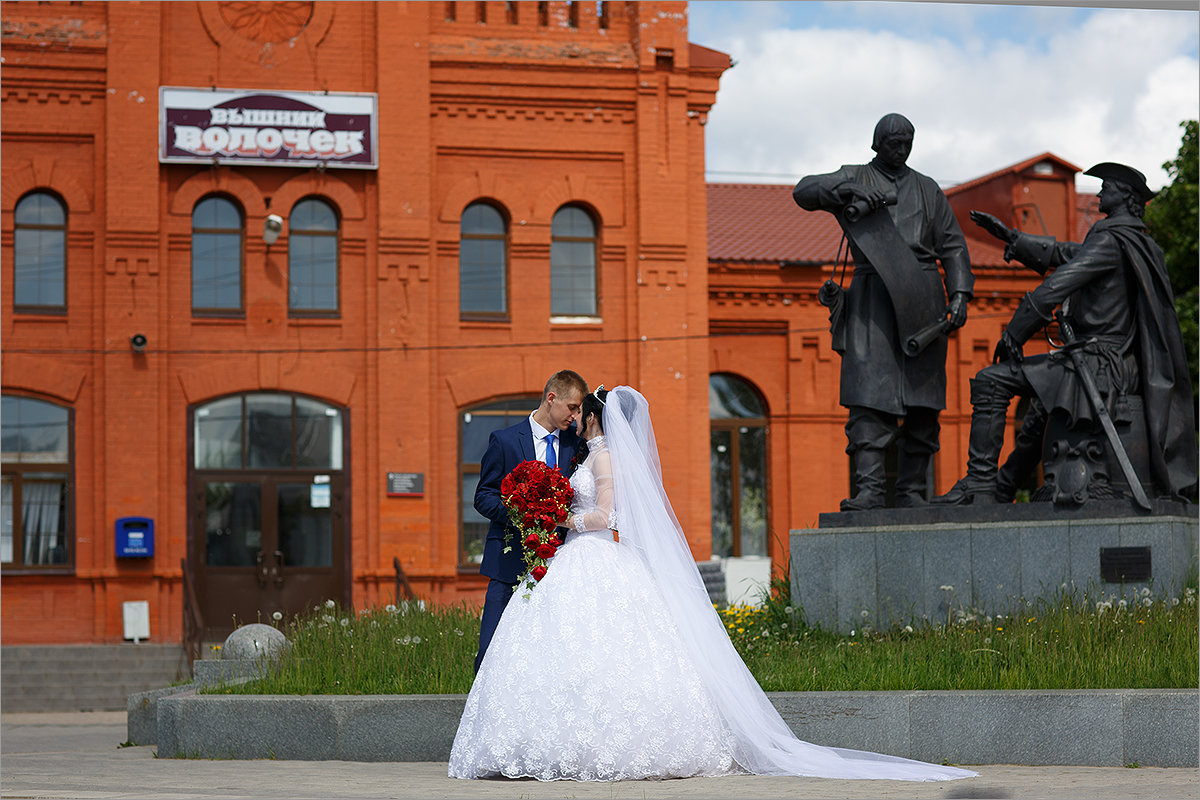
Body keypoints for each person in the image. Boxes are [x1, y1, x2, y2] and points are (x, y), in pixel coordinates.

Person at [449, 385, 977, 782]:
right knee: (569, 653)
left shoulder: (603, 455)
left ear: (590, 415)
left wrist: (556, 518)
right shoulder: (583, 453)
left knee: (604, 652)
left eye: (579, 412)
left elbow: (607, 515)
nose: (573, 419)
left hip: (588, 552)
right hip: (568, 559)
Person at [933, 162, 1197, 505]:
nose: (1101, 192)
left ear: (1125, 196)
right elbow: (1064, 253)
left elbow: (1057, 285)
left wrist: (1015, 331)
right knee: (1042, 408)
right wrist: (1012, 238)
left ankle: (980, 484)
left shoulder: (1110, 241)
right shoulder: (1133, 241)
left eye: (1108, 187)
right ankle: (1003, 484)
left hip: (1099, 362)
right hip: (1111, 361)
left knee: (991, 380)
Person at [794, 113, 974, 510]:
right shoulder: (858, 175)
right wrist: (849, 189)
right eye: (895, 142)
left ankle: (911, 492)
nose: (902, 148)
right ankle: (870, 491)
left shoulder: (927, 189)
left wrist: (960, 292)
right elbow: (803, 191)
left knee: (924, 402)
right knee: (868, 397)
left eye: (908, 141)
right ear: (878, 143)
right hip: (873, 297)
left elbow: (954, 246)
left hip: (925, 298)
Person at [471, 369, 586, 674]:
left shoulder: (576, 446)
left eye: (579, 410)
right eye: (572, 407)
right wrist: (522, 514)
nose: (575, 417)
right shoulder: (505, 441)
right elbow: (483, 496)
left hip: (558, 566)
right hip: (508, 563)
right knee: (491, 653)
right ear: (552, 398)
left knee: (546, 658)